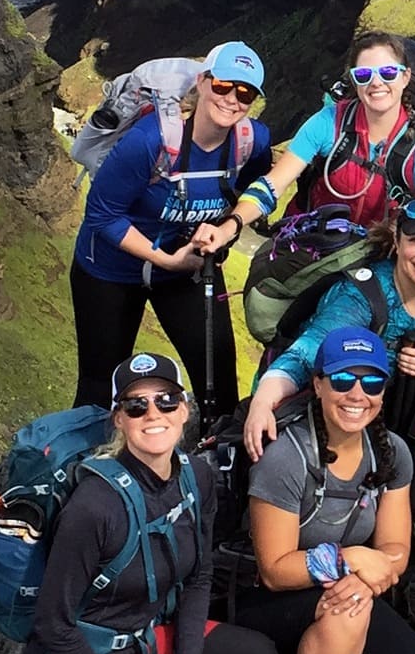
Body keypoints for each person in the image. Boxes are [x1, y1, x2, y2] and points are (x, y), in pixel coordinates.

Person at [0, 353, 278, 654]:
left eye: (166, 401)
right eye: (136, 406)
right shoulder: (94, 508)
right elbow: (52, 622)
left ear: (185, 409)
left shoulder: (196, 477)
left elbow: (199, 575)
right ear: (118, 420)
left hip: (143, 648)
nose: (154, 415)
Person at [234, 327, 415, 654]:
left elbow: (395, 550)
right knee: (347, 612)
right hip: (263, 598)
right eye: (343, 379)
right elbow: (275, 570)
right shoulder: (286, 456)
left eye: (372, 384)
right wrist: (350, 563)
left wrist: (363, 577)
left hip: (340, 591)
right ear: (318, 384)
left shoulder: (391, 456)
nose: (357, 394)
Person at [69, 41, 273, 417]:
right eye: (223, 85)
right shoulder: (149, 142)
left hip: (188, 269)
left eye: (244, 92)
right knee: (101, 391)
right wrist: (165, 259)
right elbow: (100, 213)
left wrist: (223, 230)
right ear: (203, 82)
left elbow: (257, 191)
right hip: (110, 270)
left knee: (219, 384)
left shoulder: (252, 141)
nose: (232, 99)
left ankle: (217, 467)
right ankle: (89, 469)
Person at [242, 195, 415, 461]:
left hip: (397, 420)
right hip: (330, 414)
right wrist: (261, 404)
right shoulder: (360, 297)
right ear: (397, 241)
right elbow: (301, 357)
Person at [230, 33, 415, 235]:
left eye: (388, 73)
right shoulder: (329, 123)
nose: (376, 83)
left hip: (377, 259)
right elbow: (272, 186)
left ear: (405, 77)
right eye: (363, 75)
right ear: (353, 81)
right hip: (310, 245)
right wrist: (232, 224)